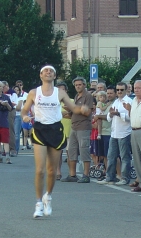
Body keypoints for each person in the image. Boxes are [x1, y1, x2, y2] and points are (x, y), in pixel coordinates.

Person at [21, 65, 90, 218]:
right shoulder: (34, 93)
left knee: (52, 170)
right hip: (39, 130)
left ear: (54, 76)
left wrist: (82, 110)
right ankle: (38, 203)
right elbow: (24, 110)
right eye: (45, 70)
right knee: (40, 170)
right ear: (41, 75)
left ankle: (48, 196)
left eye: (51, 71)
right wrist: (25, 117)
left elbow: (73, 108)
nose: (48, 72)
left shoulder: (60, 93)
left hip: (55, 130)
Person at [98, 82, 132, 185]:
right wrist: (112, 114)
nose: (119, 92)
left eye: (121, 90)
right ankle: (110, 177)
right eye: (118, 90)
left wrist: (118, 114)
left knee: (125, 157)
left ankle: (125, 178)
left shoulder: (129, 102)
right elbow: (108, 118)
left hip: (125, 133)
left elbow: (130, 118)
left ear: (126, 90)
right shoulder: (116, 102)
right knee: (111, 156)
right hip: (114, 133)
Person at [61, 76, 94, 183]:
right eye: (76, 85)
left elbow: (87, 112)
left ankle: (85, 175)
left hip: (83, 127)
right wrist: (69, 110)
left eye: (80, 84)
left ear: (84, 85)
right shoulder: (76, 96)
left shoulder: (87, 96)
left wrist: (77, 109)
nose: (78, 86)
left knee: (84, 150)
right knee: (71, 151)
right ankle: (72, 175)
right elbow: (75, 112)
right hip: (74, 126)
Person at [55, 81, 72, 180]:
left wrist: (62, 114)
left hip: (70, 131)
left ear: (66, 90)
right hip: (57, 131)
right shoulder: (54, 102)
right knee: (58, 153)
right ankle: (58, 171)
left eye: (63, 89)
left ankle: (71, 172)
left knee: (70, 153)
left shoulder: (72, 101)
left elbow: (73, 115)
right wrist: (67, 112)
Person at [3, 81, 19, 157]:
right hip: (3, 111)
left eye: (3, 87)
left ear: (7, 86)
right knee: (4, 130)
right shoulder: (1, 93)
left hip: (11, 111)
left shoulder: (13, 93)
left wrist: (5, 103)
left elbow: (14, 103)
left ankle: (12, 149)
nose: (2, 89)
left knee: (10, 129)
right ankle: (6, 149)